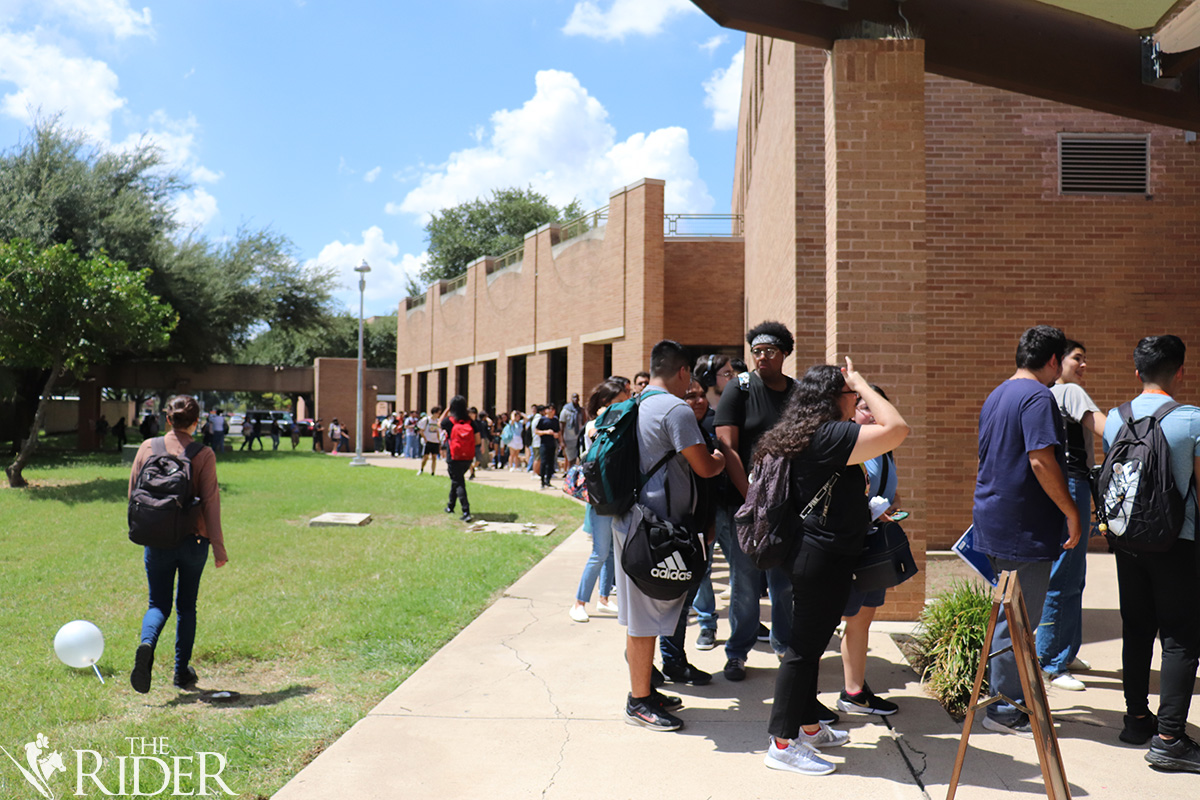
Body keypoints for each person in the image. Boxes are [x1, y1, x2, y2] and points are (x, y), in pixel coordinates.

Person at [760, 361, 909, 775]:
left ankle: (808, 728)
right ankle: (782, 743)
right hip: (819, 558)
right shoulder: (829, 435)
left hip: (819, 555)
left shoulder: (812, 434)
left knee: (808, 648)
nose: (857, 401)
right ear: (835, 399)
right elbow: (897, 429)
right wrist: (860, 380)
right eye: (852, 396)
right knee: (803, 653)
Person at [973, 325, 1081, 737]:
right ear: (1053, 360)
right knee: (1016, 620)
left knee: (1008, 614)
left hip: (996, 518)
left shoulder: (998, 393)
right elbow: (1040, 460)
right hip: (1023, 527)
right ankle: (1003, 710)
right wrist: (1071, 511)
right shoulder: (1038, 397)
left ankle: (1005, 700)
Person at [613, 340, 726, 732]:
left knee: (640, 613)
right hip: (655, 529)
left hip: (634, 521)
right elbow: (705, 468)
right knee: (645, 618)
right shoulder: (675, 409)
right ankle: (639, 701)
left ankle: (645, 689)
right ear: (682, 373)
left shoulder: (640, 401)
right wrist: (722, 456)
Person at [1103, 335, 1200, 770]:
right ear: (1180, 371)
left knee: (1137, 627)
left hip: (1128, 541)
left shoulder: (1113, 419)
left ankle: (1137, 720)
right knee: (1180, 636)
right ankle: (1169, 739)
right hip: (1178, 542)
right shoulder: (1191, 420)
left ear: (1136, 371)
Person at [715, 321, 798, 681]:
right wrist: (750, 497)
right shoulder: (740, 388)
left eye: (770, 351)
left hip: (785, 505)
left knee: (784, 583)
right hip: (745, 504)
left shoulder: (795, 393)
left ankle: (785, 648)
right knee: (745, 582)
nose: (762, 356)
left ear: (784, 355)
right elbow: (727, 447)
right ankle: (737, 652)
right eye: (757, 351)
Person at [128, 395, 228, 694]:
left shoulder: (148, 447)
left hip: (157, 540)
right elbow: (211, 504)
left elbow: (134, 492)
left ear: (167, 419)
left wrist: (144, 528)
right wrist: (219, 548)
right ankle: (181, 672)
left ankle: (147, 644)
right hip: (192, 542)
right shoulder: (203, 454)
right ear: (197, 422)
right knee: (186, 606)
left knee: (158, 603)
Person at [1038, 340, 1106, 691]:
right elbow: (1107, 429)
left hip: (1060, 486)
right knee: (1066, 576)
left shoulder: (1045, 396)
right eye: (1077, 358)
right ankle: (1051, 660)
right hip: (1075, 484)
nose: (1083, 365)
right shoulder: (1071, 393)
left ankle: (1065, 648)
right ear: (1058, 362)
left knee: (1068, 573)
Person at [837, 386, 902, 717]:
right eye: (865, 408)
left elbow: (888, 490)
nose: (874, 415)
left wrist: (891, 507)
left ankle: (854, 691)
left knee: (862, 617)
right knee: (829, 619)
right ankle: (801, 702)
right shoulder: (850, 443)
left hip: (873, 545)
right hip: (846, 546)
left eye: (879, 408)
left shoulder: (884, 449)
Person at [569, 379, 629, 623]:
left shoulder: (622, 421)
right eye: (621, 402)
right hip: (600, 496)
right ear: (606, 404)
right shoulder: (596, 424)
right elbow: (596, 442)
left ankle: (604, 599)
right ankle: (578, 603)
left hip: (618, 494)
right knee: (600, 552)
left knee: (612, 552)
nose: (626, 406)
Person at [441, 396, 475, 522]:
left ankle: (466, 511)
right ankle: (450, 506)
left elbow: (440, 423)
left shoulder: (449, 421)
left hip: (454, 456)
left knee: (458, 482)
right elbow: (477, 439)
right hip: (467, 458)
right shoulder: (470, 422)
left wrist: (447, 409)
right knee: (456, 480)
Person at [536, 405, 561, 489]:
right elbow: (536, 431)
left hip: (552, 444)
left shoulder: (555, 421)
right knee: (543, 462)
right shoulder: (542, 420)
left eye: (552, 409)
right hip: (544, 444)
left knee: (551, 463)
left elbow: (558, 432)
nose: (551, 411)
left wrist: (557, 436)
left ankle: (548, 481)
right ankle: (542, 482)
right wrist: (546, 432)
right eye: (549, 409)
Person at [561, 393, 585, 467]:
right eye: (574, 397)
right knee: (571, 459)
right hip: (568, 438)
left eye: (577, 398)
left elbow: (583, 422)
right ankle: (570, 475)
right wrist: (561, 441)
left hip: (578, 438)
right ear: (571, 399)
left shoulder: (580, 410)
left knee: (578, 457)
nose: (575, 399)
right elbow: (561, 426)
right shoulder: (565, 410)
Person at [417, 407, 442, 475]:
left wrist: (439, 440)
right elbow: (421, 431)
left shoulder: (437, 421)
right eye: (438, 413)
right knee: (425, 457)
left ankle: (433, 472)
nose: (439, 414)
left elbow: (438, 431)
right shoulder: (426, 420)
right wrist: (425, 439)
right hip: (428, 441)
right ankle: (421, 469)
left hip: (435, 441)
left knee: (434, 457)